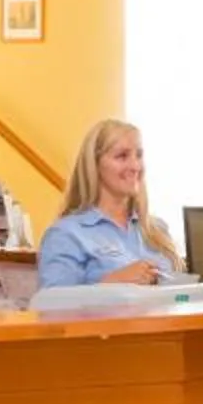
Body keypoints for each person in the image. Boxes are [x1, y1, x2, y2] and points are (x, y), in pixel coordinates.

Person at [35, 118, 179, 289]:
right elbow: (52, 306)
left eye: (139, 155)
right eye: (122, 156)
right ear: (94, 165)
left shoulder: (158, 231)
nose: (135, 166)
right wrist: (111, 283)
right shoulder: (66, 235)